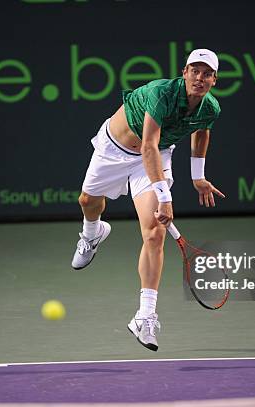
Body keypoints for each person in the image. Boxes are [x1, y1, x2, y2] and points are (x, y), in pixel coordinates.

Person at [71, 49, 225, 351]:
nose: (199, 77)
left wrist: (198, 175)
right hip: (115, 150)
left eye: (206, 73)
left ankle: (145, 315)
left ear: (214, 80)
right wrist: (165, 197)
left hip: (155, 158)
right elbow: (148, 146)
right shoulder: (161, 93)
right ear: (184, 72)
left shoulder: (211, 108)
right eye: (195, 70)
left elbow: (200, 133)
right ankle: (92, 234)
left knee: (154, 232)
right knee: (88, 200)